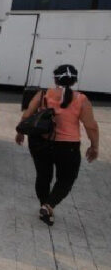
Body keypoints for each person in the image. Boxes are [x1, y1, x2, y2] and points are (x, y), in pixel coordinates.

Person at [16, 65, 100, 226]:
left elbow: (27, 114)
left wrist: (20, 132)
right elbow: (91, 126)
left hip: (40, 142)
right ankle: (49, 206)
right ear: (75, 80)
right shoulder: (81, 100)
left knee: (43, 176)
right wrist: (94, 146)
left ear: (55, 79)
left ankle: (44, 206)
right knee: (66, 179)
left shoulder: (43, 94)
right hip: (67, 147)